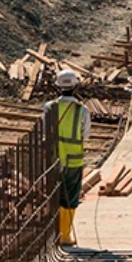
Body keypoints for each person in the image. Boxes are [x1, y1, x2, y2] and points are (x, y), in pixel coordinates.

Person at [42, 68, 89, 248]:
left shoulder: (49, 107)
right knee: (70, 197)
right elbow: (85, 135)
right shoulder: (81, 110)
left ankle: (53, 233)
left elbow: (45, 130)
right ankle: (65, 235)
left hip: (53, 160)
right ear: (76, 87)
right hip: (73, 160)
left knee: (53, 196)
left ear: (57, 87)